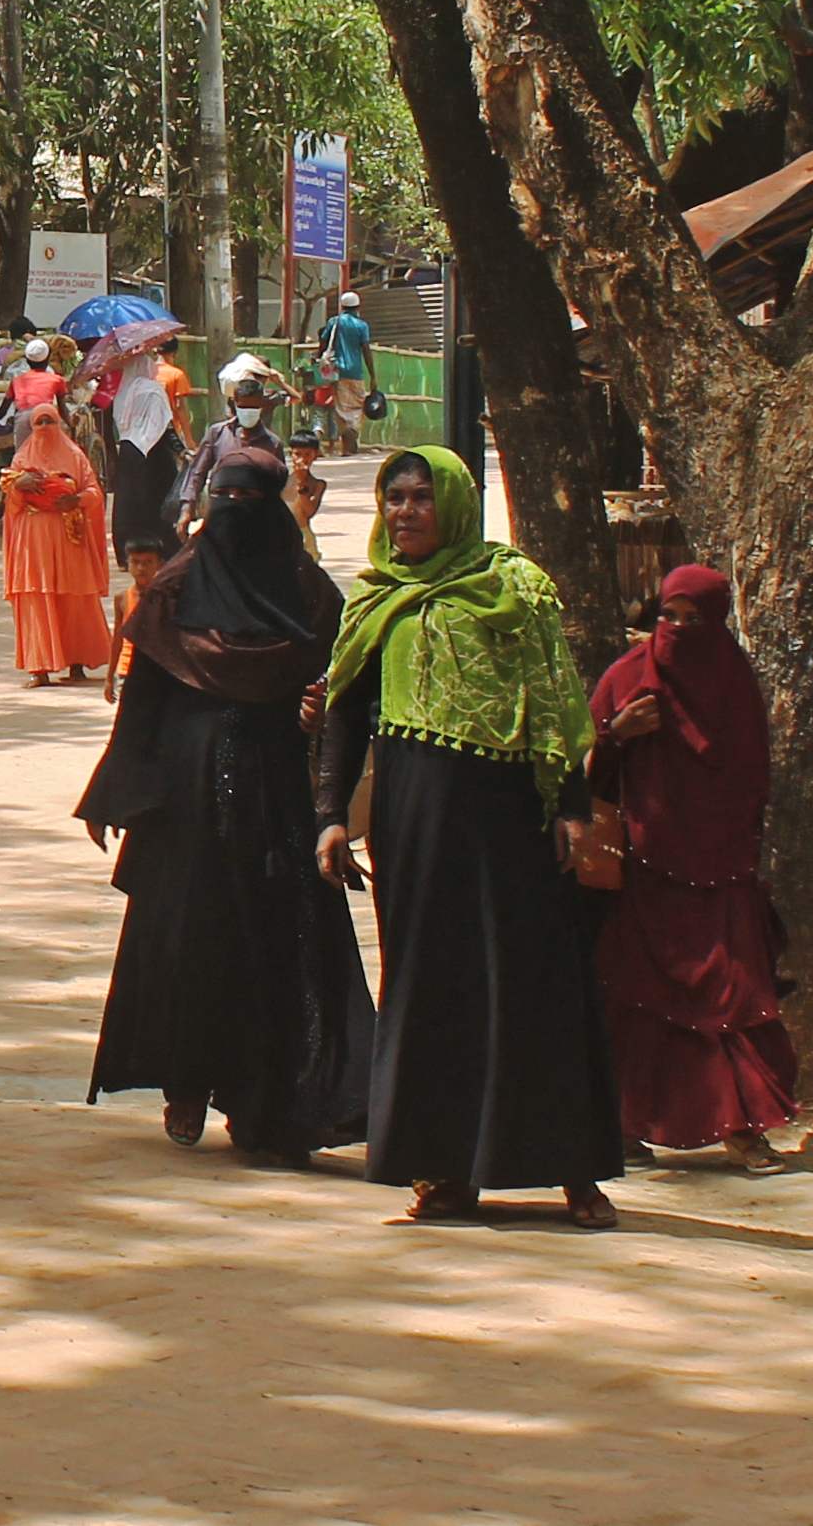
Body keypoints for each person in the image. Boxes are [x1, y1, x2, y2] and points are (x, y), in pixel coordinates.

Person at [311, 447, 621, 1227]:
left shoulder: (511, 586)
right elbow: (346, 717)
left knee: (534, 989)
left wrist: (572, 808)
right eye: (394, 498)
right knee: (432, 994)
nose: (406, 511)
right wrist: (328, 815)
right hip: (415, 833)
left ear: (451, 503)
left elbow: (554, 700)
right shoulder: (375, 599)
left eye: (421, 497)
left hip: (512, 824)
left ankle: (574, 1172)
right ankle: (444, 1171)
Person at [81, 459, 373, 1164]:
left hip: (276, 794)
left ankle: (265, 1102)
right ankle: (185, 1083)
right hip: (187, 801)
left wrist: (317, 715)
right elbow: (143, 701)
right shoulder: (176, 590)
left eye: (252, 499)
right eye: (226, 497)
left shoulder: (305, 591)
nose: (238, 509)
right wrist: (113, 791)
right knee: (190, 940)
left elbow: (344, 687)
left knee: (276, 944)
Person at [590, 565, 796, 1171]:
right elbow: (584, 769)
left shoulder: (733, 683)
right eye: (668, 618)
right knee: (638, 993)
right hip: (646, 864)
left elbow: (753, 775)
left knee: (734, 994)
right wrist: (617, 733)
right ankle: (628, 1122)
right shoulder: (629, 677)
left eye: (693, 620)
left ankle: (743, 1126)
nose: (678, 630)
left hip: (723, 867)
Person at [1, 408, 112, 686]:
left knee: (74, 598)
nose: (46, 427)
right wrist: (19, 485)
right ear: (32, 426)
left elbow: (94, 492)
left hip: (69, 537)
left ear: (59, 423)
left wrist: (76, 500)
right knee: (37, 597)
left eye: (50, 421)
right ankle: (39, 669)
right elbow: (11, 502)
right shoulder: (22, 458)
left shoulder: (75, 456)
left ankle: (77, 663)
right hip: (33, 540)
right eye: (40, 422)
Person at [176, 355, 288, 534]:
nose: (248, 412)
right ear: (235, 404)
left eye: (253, 408)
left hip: (258, 521)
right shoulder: (217, 434)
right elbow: (197, 473)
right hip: (220, 517)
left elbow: (279, 486)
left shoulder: (272, 444)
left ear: (262, 406)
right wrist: (186, 510)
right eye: (244, 407)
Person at [109, 339, 189, 563]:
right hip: (154, 454)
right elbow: (164, 425)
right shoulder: (153, 390)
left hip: (128, 452)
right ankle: (163, 549)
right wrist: (181, 450)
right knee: (159, 502)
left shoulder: (123, 392)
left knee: (128, 502)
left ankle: (127, 554)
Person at [104, 537, 166, 705]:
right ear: (128, 564)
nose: (141, 568)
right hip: (127, 670)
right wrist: (109, 678)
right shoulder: (122, 599)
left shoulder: (166, 598)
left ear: (160, 564)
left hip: (158, 670)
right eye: (135, 562)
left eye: (148, 562)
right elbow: (117, 639)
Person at [317, 290, 376, 457]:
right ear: (357, 307)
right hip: (356, 372)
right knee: (357, 407)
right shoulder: (361, 325)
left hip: (337, 372)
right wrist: (373, 376)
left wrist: (318, 359)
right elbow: (366, 350)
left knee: (342, 408)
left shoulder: (334, 322)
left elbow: (323, 343)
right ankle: (350, 442)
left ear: (342, 307)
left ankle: (348, 445)